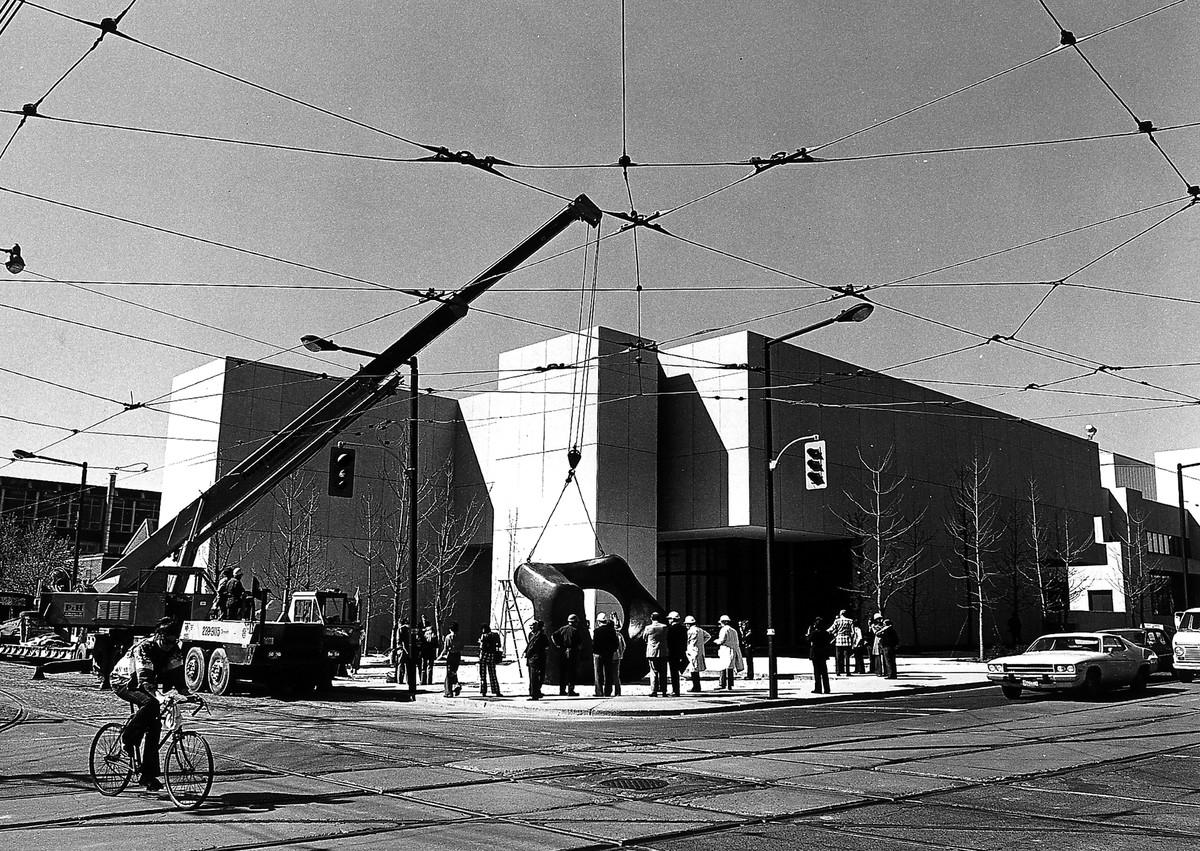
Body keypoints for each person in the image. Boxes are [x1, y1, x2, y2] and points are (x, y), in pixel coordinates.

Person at [109, 617, 193, 792]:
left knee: (155, 727)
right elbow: (145, 681)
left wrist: (189, 695)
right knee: (151, 703)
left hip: (148, 683)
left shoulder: (174, 650)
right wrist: (161, 697)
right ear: (157, 635)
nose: (170, 645)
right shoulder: (144, 648)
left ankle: (148, 775)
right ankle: (128, 738)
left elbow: (178, 678)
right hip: (124, 681)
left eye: (174, 641)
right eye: (166, 641)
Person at [553, 614, 583, 696]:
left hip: (563, 652)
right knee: (572, 672)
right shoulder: (575, 630)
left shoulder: (562, 629)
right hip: (572, 652)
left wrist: (558, 645)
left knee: (563, 672)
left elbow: (553, 635)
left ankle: (562, 690)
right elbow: (579, 644)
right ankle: (570, 690)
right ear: (575, 622)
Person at [591, 612, 620, 697]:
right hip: (608, 654)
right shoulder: (611, 631)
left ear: (598, 621)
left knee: (598, 673)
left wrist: (594, 651)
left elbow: (594, 643)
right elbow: (616, 643)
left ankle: (599, 692)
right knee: (608, 673)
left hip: (598, 654)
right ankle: (608, 691)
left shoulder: (596, 631)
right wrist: (611, 651)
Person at [641, 612, 669, 697]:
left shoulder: (648, 628)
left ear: (651, 618)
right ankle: (664, 691)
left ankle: (654, 691)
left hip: (652, 652)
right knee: (663, 672)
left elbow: (644, 638)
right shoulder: (664, 627)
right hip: (663, 652)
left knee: (653, 672)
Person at [713, 615, 744, 690]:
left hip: (725, 649)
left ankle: (722, 684)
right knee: (730, 667)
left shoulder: (724, 630)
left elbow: (721, 640)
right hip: (733, 649)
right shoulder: (734, 630)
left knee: (723, 667)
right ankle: (730, 685)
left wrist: (716, 641)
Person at [683, 615, 710, 692]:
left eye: (686, 624)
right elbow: (708, 636)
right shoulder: (700, 630)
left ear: (688, 624)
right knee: (696, 670)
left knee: (693, 670)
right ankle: (697, 686)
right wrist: (701, 643)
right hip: (699, 650)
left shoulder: (690, 631)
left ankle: (696, 687)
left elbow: (687, 641)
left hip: (692, 651)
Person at [524, 619, 550, 700]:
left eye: (533, 626)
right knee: (533, 677)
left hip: (537, 657)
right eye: (530, 626)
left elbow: (546, 645)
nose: (532, 628)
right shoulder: (531, 635)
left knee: (538, 676)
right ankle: (534, 692)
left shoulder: (540, 635)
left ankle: (536, 692)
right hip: (533, 658)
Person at [807, 616, 833, 693]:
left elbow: (808, 639)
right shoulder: (825, 633)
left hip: (815, 653)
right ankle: (827, 688)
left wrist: (809, 632)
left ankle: (818, 688)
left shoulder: (814, 633)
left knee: (817, 672)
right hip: (823, 653)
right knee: (824, 672)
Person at [666, 611, 687, 696]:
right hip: (681, 652)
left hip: (672, 653)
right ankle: (676, 690)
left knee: (673, 672)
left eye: (669, 619)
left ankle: (675, 691)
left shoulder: (671, 629)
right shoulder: (683, 628)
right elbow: (685, 641)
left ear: (672, 619)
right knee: (677, 672)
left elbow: (669, 641)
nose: (668, 620)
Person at [478, 624, 502, 696]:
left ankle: (483, 691)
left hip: (484, 656)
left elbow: (482, 647)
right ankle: (496, 691)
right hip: (492, 655)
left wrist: (480, 642)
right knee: (493, 674)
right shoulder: (495, 635)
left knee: (483, 674)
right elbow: (499, 645)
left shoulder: (484, 636)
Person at [830, 609, 856, 676]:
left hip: (839, 640)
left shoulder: (837, 621)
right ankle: (847, 672)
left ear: (840, 614)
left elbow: (832, 629)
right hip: (847, 640)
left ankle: (838, 671)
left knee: (838, 656)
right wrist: (852, 639)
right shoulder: (850, 621)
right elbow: (853, 632)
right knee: (847, 657)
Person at [440, 621, 462, 697]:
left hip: (451, 656)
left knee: (449, 674)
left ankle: (449, 692)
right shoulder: (459, 637)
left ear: (450, 629)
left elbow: (445, 649)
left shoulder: (448, 637)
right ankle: (456, 685)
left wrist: (440, 656)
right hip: (458, 655)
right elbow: (462, 647)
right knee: (454, 672)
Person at [611, 612, 626, 696]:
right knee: (616, 675)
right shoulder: (619, 635)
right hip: (617, 657)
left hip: (610, 656)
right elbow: (624, 646)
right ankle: (618, 692)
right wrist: (621, 654)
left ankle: (608, 691)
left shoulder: (611, 635)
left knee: (609, 674)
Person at [419, 617, 438, 685]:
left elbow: (420, 642)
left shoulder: (424, 635)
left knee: (423, 666)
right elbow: (436, 644)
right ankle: (429, 681)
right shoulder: (434, 634)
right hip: (431, 651)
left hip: (424, 651)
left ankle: (422, 681)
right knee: (430, 666)